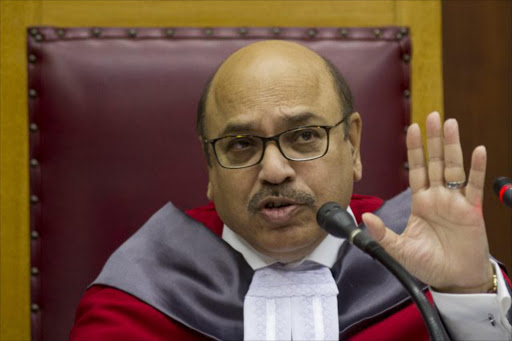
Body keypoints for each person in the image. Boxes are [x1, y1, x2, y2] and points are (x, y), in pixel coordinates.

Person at [70, 40, 512, 340]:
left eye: (303, 136)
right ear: (209, 165)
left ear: (352, 145)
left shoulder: (419, 260)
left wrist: (467, 294)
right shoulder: (142, 296)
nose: (275, 170)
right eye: (241, 144)